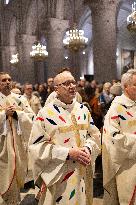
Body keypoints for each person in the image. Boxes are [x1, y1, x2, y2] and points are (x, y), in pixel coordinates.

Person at [29, 70, 101, 205]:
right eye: (66, 84)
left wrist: (88, 147)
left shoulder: (82, 110)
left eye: (73, 82)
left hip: (82, 171)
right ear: (56, 89)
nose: (72, 86)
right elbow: (36, 146)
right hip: (59, 175)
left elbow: (94, 135)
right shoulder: (45, 113)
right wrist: (67, 153)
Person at [0, 72, 35, 204]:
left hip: (18, 146)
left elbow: (32, 119)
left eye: (9, 79)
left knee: (14, 180)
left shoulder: (20, 100)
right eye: (4, 80)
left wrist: (17, 114)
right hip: (1, 147)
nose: (7, 82)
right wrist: (4, 114)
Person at [102, 69, 136, 205]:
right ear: (126, 86)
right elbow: (113, 138)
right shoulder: (116, 108)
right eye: (135, 84)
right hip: (126, 165)